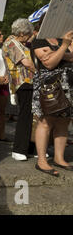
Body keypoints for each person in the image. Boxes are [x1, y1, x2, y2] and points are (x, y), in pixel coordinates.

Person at [31, 29, 73, 176]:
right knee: (45, 122)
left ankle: (59, 158)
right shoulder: (38, 40)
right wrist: (64, 48)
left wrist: (59, 53)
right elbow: (49, 63)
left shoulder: (61, 38)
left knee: (64, 121)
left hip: (67, 85)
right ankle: (42, 161)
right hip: (49, 87)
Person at [2, 19, 37, 161]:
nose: (29, 37)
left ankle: (29, 147)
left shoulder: (20, 43)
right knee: (24, 115)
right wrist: (40, 73)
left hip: (29, 81)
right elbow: (26, 62)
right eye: (28, 34)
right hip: (22, 82)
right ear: (21, 33)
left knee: (31, 115)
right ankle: (19, 149)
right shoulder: (11, 43)